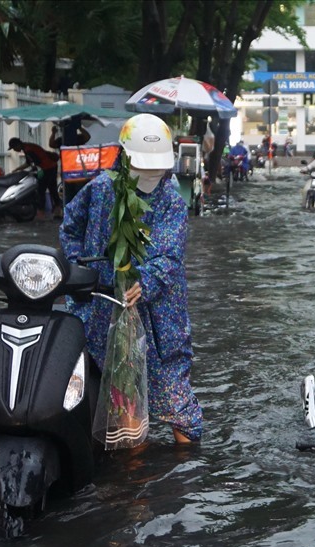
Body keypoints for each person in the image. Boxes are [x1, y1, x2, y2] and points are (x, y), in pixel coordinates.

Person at [58, 113, 204, 444]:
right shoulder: (99, 190)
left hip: (159, 319)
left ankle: (183, 477)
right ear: (125, 158)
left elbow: (169, 256)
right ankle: (130, 479)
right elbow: (70, 228)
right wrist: (78, 269)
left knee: (180, 411)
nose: (151, 174)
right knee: (120, 399)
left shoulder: (172, 204)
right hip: (103, 308)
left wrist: (146, 281)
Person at [8, 136, 61, 219]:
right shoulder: (27, 148)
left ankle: (42, 211)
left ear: (17, 145)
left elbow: (36, 162)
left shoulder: (29, 149)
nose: (14, 150)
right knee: (52, 189)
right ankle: (57, 210)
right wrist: (17, 169)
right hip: (50, 167)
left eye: (14, 148)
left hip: (48, 168)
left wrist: (33, 170)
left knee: (42, 190)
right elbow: (28, 163)